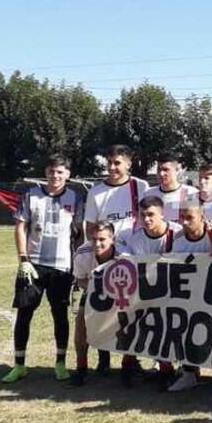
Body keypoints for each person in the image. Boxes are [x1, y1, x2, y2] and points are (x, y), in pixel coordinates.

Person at [2, 154, 84, 383]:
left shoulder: (75, 197)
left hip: (62, 267)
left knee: (60, 315)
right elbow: (20, 227)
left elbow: (78, 234)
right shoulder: (31, 195)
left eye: (60, 172)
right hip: (33, 265)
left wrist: (77, 265)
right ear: (46, 172)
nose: (55, 176)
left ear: (67, 175)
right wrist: (23, 258)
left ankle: (60, 363)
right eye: (51, 171)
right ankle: (19, 365)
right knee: (24, 313)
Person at [83, 144, 148, 372]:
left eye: (117, 162)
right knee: (103, 311)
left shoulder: (140, 187)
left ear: (129, 163)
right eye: (109, 162)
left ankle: (130, 360)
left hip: (132, 260)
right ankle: (103, 358)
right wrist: (95, 255)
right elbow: (90, 227)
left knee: (130, 312)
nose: (112, 167)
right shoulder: (96, 191)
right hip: (104, 260)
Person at [122, 195, 181, 389]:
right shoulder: (137, 239)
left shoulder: (177, 233)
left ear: (162, 214)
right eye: (142, 215)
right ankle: (131, 363)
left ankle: (183, 370)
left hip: (177, 292)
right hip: (148, 291)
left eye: (150, 215)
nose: (146, 219)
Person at [166, 200, 212, 393]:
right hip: (190, 295)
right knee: (186, 328)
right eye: (181, 217)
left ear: (202, 217)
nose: (183, 222)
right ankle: (189, 373)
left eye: (189, 218)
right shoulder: (177, 239)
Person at [68, 221, 117, 387]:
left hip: (121, 292)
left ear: (113, 239)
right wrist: (96, 288)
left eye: (102, 239)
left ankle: (128, 363)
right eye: (94, 239)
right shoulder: (82, 253)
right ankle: (81, 366)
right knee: (81, 321)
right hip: (93, 289)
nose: (97, 244)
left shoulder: (124, 254)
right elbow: (80, 279)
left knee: (130, 317)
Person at [143, 151, 199, 223]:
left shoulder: (191, 193)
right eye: (159, 169)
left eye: (166, 170)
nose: (161, 174)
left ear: (177, 170)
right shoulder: (149, 194)